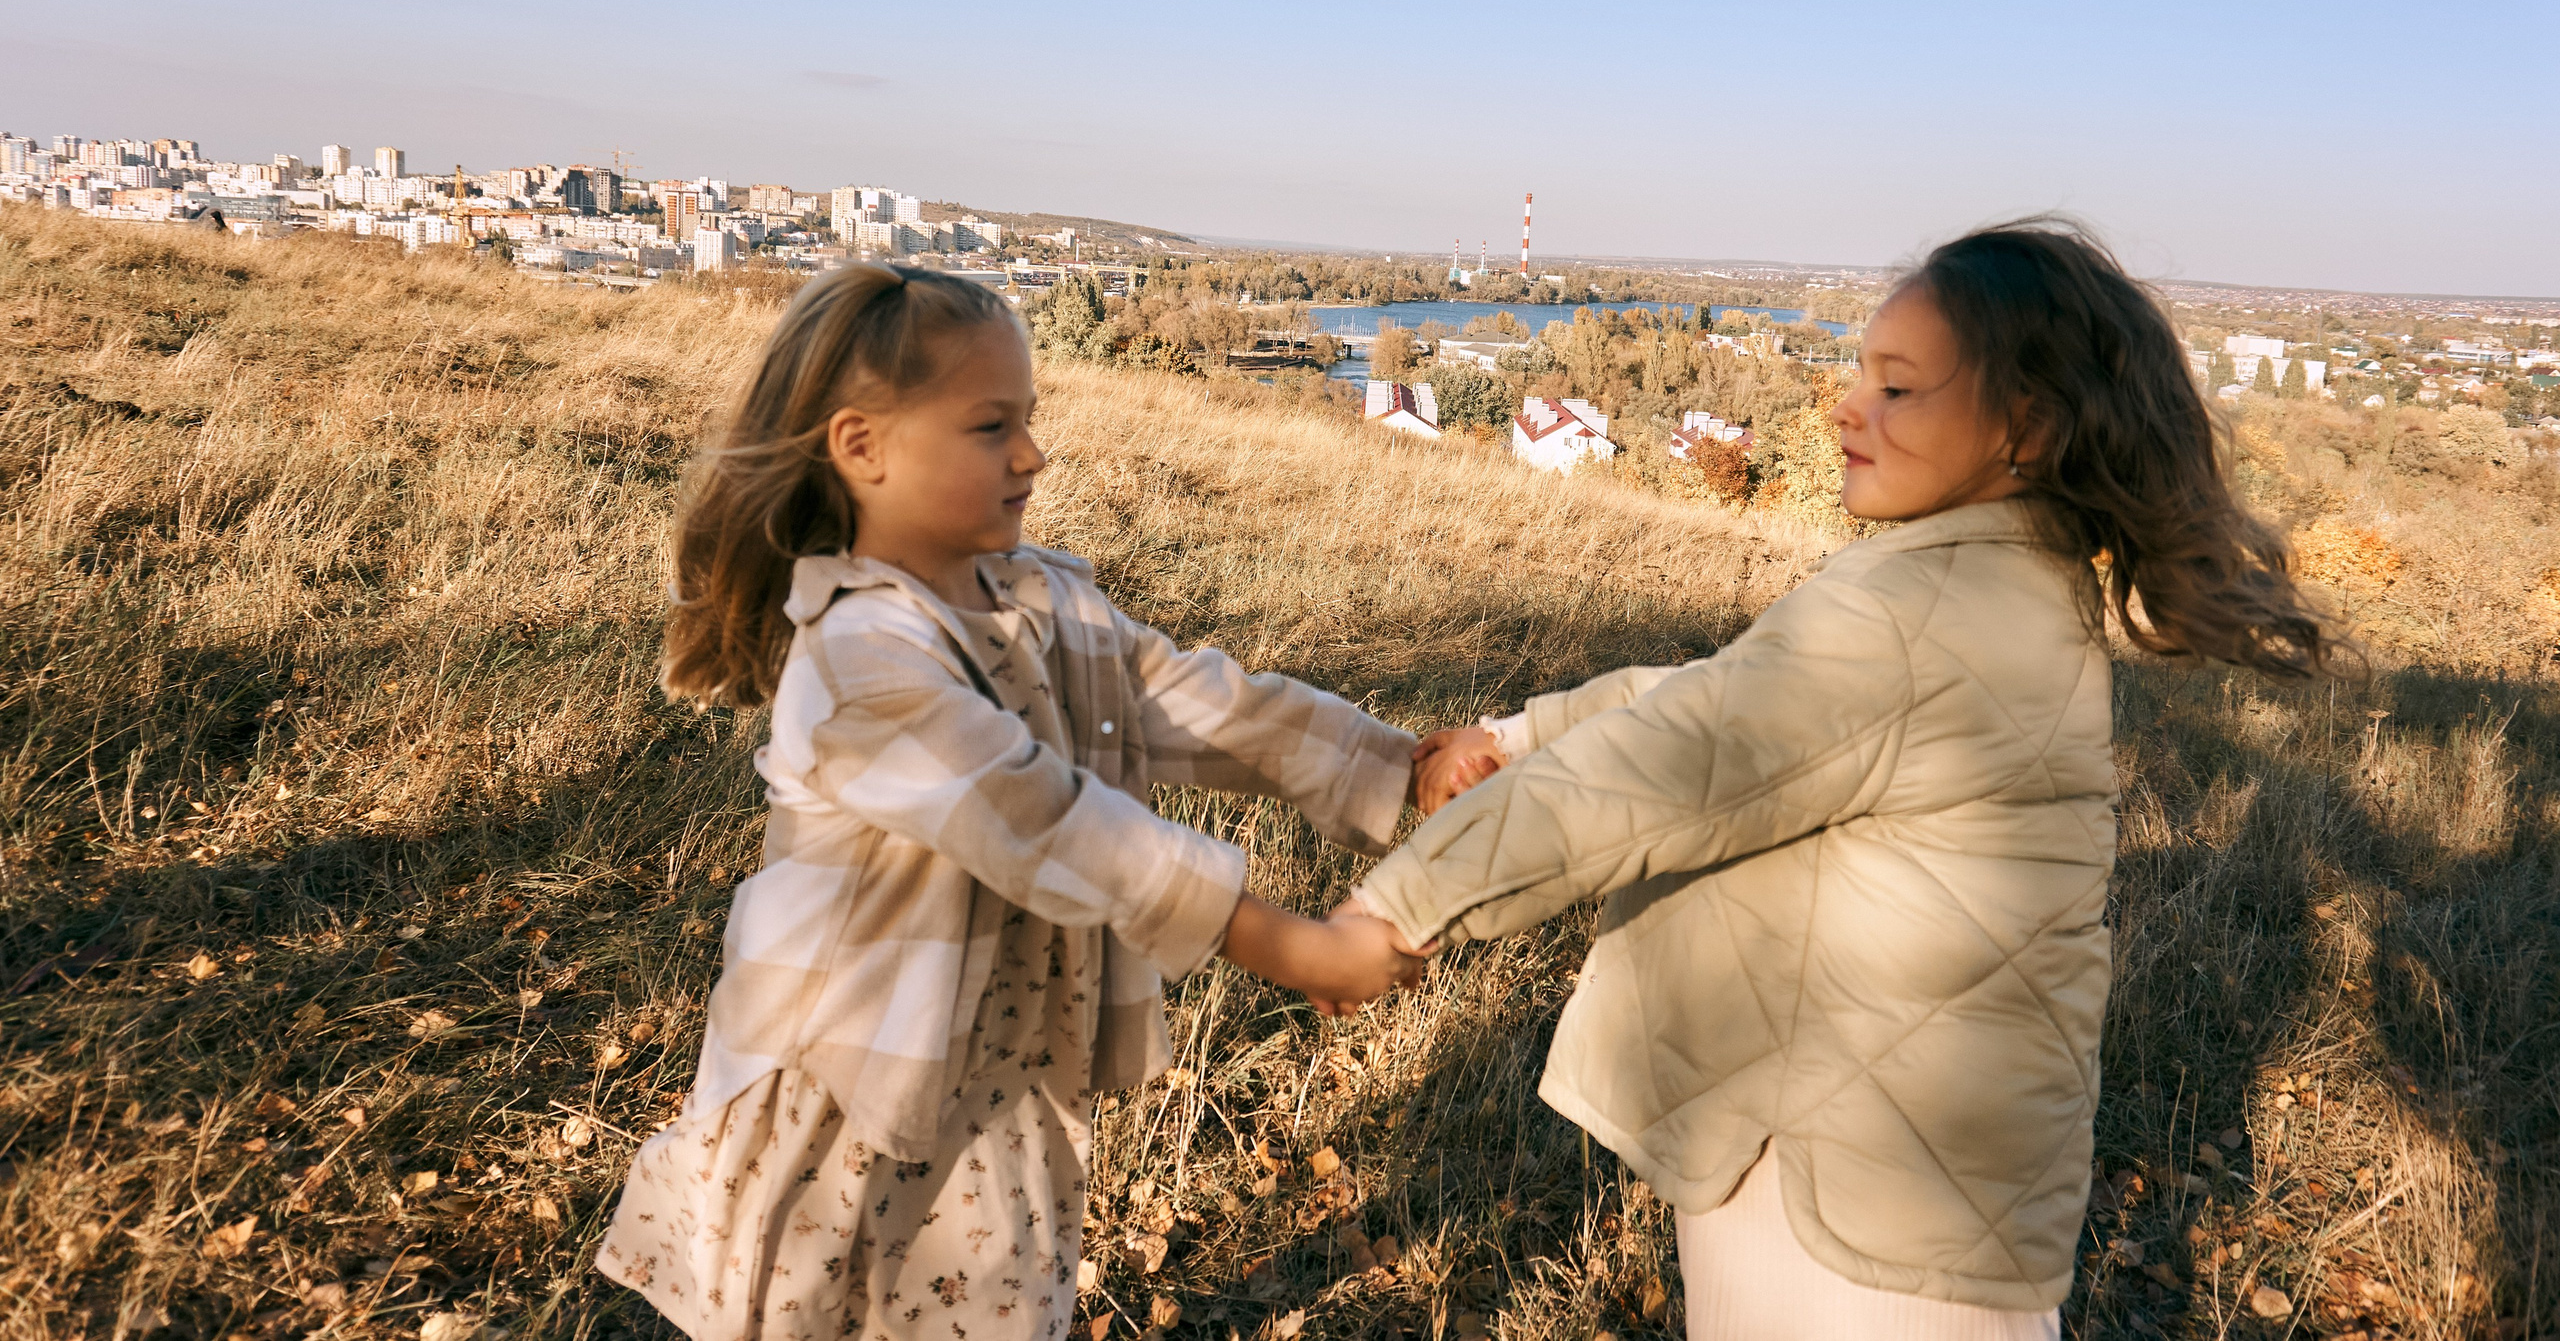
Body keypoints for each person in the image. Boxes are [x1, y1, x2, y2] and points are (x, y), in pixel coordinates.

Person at [1359, 221, 2341, 1340]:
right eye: (1860, 373)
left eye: (1898, 386)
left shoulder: (1916, 615)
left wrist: (1391, 916)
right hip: (1897, 1195)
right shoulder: (1996, 584)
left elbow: (1661, 770)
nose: (1845, 406)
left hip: (1849, 1228)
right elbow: (1721, 703)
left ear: (2024, 427)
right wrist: (1512, 734)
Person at [597, 265, 1429, 1341]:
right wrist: (1292, 946)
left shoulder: (1042, 600)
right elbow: (1044, 824)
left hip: (1009, 1071)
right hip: (851, 1094)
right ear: (863, 448)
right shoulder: (857, 656)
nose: (1032, 455)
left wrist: (1398, 762)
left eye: (1028, 421)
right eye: (992, 426)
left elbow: (1191, 699)